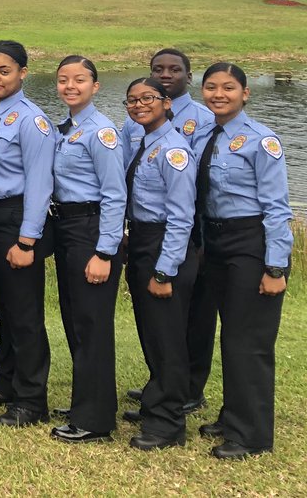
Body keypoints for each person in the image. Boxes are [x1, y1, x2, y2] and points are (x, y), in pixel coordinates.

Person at [196, 63, 292, 459]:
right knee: (229, 335)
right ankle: (232, 414)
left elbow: (277, 209)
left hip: (250, 243)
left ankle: (251, 434)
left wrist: (275, 268)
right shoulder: (204, 135)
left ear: (245, 93)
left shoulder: (260, 141)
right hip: (215, 242)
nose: (219, 94)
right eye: (211, 87)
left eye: (229, 88)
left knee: (247, 341)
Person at [122, 48, 217, 417]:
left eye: (173, 69)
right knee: (157, 323)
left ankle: (180, 396)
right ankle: (161, 386)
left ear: (186, 77)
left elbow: (190, 197)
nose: (165, 74)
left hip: (178, 233)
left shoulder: (196, 125)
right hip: (146, 232)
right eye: (157, 69)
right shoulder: (139, 125)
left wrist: (180, 254)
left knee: (183, 320)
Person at [0, 40, 55, 427]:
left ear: (23, 73)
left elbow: (40, 184)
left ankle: (32, 400)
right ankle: (6, 382)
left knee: (24, 313)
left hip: (14, 221)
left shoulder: (31, 120)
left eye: (4, 71)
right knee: (3, 307)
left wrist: (26, 240)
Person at [46, 56, 126, 444]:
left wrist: (105, 252)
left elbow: (114, 195)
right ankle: (85, 401)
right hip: (67, 228)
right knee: (76, 320)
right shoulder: (66, 128)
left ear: (96, 86)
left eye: (79, 80)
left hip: (91, 231)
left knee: (92, 325)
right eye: (63, 80)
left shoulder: (101, 132)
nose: (70, 86)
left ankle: (95, 420)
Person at [121, 77, 197, 451]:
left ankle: (168, 423)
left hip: (164, 245)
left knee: (167, 338)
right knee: (152, 332)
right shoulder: (142, 142)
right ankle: (156, 402)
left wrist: (165, 270)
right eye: (132, 100)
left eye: (148, 98)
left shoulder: (173, 150)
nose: (139, 105)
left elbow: (182, 217)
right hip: (142, 240)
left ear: (167, 103)